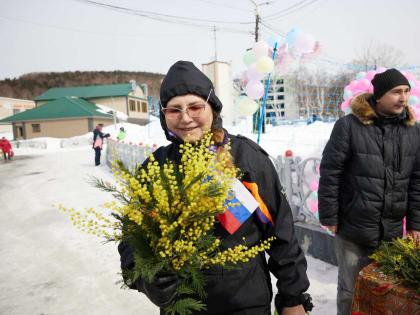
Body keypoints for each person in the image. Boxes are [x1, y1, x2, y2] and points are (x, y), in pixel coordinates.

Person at [118, 61, 312, 315]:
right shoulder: (156, 167)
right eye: (174, 110)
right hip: (182, 307)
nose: (186, 117)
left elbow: (281, 232)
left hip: (245, 304)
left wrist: (292, 298)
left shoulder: (246, 159)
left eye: (195, 107)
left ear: (212, 108)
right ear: (163, 115)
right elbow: (133, 238)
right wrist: (146, 280)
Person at [318, 68, 420, 315]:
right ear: (380, 95)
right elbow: (331, 173)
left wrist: (415, 224)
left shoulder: (413, 131)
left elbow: (417, 181)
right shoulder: (349, 126)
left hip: (392, 231)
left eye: (406, 91)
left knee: (388, 290)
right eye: (396, 92)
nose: (403, 98)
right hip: (354, 229)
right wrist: (330, 216)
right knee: (350, 291)